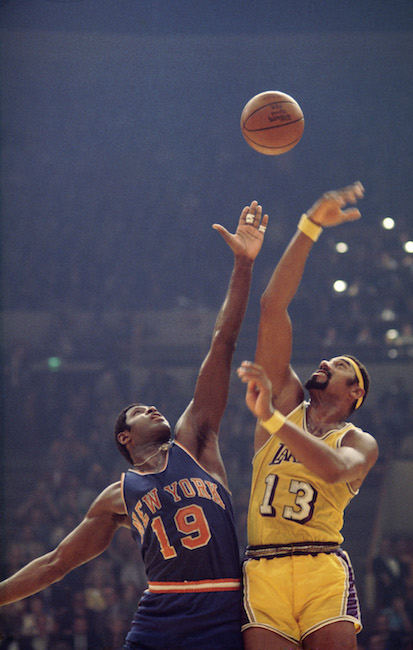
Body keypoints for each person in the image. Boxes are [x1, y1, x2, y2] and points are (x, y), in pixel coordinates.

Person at [0, 201, 268, 649]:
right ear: (124, 437)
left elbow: (222, 342)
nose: (153, 409)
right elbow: (57, 563)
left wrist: (243, 264)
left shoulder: (195, 442)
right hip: (160, 616)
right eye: (140, 410)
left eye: (152, 405)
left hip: (221, 609)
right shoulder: (116, 496)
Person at [236, 182, 379, 650]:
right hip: (263, 568)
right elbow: (272, 307)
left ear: (355, 392)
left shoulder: (359, 442)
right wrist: (310, 225)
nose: (325, 363)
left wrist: (274, 424)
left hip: (321, 566)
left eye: (339, 366)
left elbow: (334, 470)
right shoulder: (285, 401)